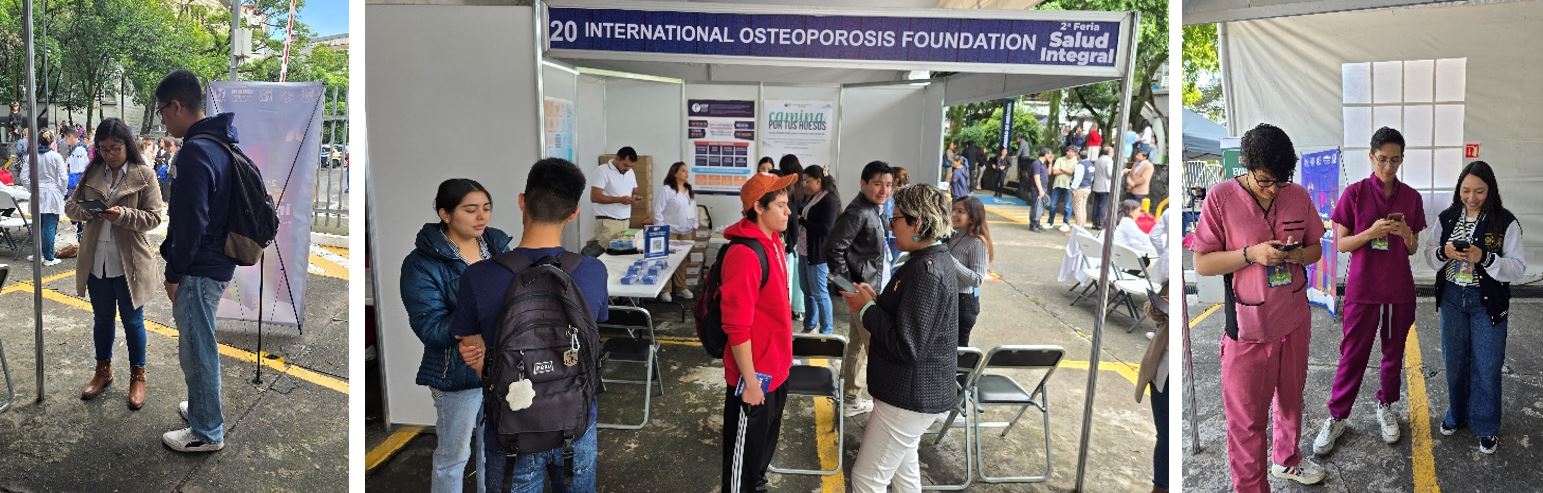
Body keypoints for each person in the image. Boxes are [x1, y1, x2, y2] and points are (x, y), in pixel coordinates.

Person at [452, 158, 609, 493]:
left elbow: (470, 346)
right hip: (576, 423)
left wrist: (492, 370)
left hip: (510, 426)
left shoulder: (479, 277)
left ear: (522, 200)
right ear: (574, 212)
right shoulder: (593, 272)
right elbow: (592, 336)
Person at [1186, 123, 1327, 489]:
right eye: (1265, 181)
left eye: (1280, 182)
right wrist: (1252, 254)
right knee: (1247, 422)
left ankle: (1287, 459)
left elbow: (1315, 248)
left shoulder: (1296, 195)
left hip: (1294, 319)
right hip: (1248, 329)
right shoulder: (1220, 199)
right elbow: (1203, 263)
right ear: (1246, 166)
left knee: (1292, 400)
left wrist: (1296, 254)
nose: (1273, 189)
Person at [1312, 127, 1425, 456]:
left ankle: (1386, 405)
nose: (1388, 167)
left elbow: (1413, 247)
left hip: (1398, 290)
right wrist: (1371, 231)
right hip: (1363, 288)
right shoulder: (1355, 194)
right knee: (1353, 355)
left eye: (1395, 160)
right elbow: (1343, 243)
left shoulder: (1411, 198)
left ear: (1402, 159)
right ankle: (1337, 416)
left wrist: (1405, 232)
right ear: (1370, 157)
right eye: (1382, 159)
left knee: (1393, 354)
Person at [841, 184, 958, 493]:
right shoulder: (924, 262)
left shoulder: (927, 271)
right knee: (904, 474)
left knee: (868, 480)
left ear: (917, 224)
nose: (891, 225)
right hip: (909, 396)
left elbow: (906, 344)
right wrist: (875, 300)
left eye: (896, 219)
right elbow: (908, 318)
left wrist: (866, 308)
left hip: (908, 396)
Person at [401, 179, 509, 493]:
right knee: (454, 457)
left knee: (495, 451)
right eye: (470, 210)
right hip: (456, 376)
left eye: (486, 209)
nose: (481, 217)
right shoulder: (421, 264)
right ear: (445, 214)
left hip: (500, 368)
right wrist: (484, 317)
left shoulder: (499, 248)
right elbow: (430, 328)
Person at [155, 69, 239, 452]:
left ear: (176, 106)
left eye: (162, 111)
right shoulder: (222, 143)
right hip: (217, 261)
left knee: (197, 347)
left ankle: (206, 432)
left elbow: (190, 223)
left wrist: (173, 273)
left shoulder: (195, 151)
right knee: (199, 343)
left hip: (199, 267)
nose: (163, 119)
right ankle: (203, 411)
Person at [1423, 160, 1526, 454]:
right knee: (1455, 364)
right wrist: (1445, 251)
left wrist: (1486, 257)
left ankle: (1486, 425)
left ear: (1490, 190)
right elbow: (1430, 256)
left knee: (1487, 366)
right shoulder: (1447, 217)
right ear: (1459, 190)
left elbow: (1518, 268)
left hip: (1487, 303)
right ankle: (1457, 415)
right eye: (1466, 190)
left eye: (1479, 191)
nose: (1471, 198)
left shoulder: (1504, 222)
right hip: (1453, 299)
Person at [65, 118, 163, 411]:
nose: (109, 154)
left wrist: (124, 215)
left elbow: (155, 217)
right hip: (96, 260)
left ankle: (138, 376)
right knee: (102, 319)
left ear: (127, 146)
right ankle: (102, 371)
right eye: (104, 149)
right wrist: (87, 212)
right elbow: (70, 206)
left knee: (133, 322)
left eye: (115, 148)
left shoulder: (144, 174)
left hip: (129, 260)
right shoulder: (93, 171)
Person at [717, 172, 797, 493]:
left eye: (787, 204)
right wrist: (749, 382)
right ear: (758, 208)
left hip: (776, 372)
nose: (788, 211)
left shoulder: (775, 242)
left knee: (760, 457)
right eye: (780, 205)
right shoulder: (745, 254)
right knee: (740, 470)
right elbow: (736, 327)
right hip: (753, 379)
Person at [826, 161, 895, 418]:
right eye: (878, 184)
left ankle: (851, 398)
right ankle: (884, 405)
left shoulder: (875, 209)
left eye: (888, 185)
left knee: (856, 345)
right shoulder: (858, 211)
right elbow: (833, 248)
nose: (884, 190)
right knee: (876, 350)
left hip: (871, 289)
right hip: (864, 293)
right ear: (863, 183)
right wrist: (849, 287)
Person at [797, 165, 840, 335]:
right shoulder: (813, 197)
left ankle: (826, 331)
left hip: (817, 255)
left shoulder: (829, 200)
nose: (804, 184)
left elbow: (826, 229)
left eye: (807, 180)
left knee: (820, 293)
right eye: (803, 180)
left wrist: (801, 220)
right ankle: (809, 325)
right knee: (807, 290)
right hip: (804, 251)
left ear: (818, 180)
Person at [1135, 284, 1170, 493]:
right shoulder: (1170, 269)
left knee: (1166, 437)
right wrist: (1155, 310)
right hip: (1163, 369)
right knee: (1165, 437)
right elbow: (1152, 306)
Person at [18, 129, 67, 265]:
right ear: (52, 141)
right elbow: (63, 178)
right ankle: (49, 258)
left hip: (37, 193)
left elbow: (23, 177)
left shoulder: (31, 156)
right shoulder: (56, 157)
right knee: (50, 225)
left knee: (37, 225)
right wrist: (61, 192)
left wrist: (32, 189)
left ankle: (37, 254)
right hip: (52, 192)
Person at [653, 161, 699, 303]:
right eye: (683, 171)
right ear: (675, 173)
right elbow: (657, 210)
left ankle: (681, 287)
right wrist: (661, 228)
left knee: (682, 260)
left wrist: (695, 224)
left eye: (687, 171)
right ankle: (666, 289)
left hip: (686, 230)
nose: (686, 173)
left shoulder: (688, 189)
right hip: (670, 230)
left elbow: (692, 208)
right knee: (667, 260)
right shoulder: (666, 190)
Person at [949, 196, 990, 346]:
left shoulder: (977, 242)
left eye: (960, 211)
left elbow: (977, 279)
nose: (954, 214)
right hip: (950, 298)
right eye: (954, 209)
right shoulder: (954, 234)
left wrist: (951, 260)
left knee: (958, 351)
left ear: (973, 217)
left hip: (964, 303)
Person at [590, 146, 639, 245]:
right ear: (617, 158)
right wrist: (620, 199)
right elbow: (595, 197)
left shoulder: (630, 172)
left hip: (625, 221)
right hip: (608, 222)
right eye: (625, 165)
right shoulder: (602, 171)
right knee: (607, 256)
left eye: (631, 166)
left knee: (622, 255)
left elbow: (634, 190)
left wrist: (635, 197)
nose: (628, 168)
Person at [779, 155, 806, 322]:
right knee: (797, 279)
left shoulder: (788, 184)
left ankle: (789, 308)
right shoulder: (803, 181)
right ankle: (798, 309)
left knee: (788, 278)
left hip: (791, 238)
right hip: (800, 237)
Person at [1049, 146, 1078, 231]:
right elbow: (1054, 172)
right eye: (1068, 151)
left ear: (1075, 153)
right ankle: (1050, 222)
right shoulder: (1060, 159)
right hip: (1057, 185)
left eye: (1072, 152)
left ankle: (1066, 223)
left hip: (1069, 186)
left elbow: (1073, 173)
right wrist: (1067, 171)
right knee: (1052, 205)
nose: (1070, 153)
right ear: (1066, 152)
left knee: (1067, 207)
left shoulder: (1076, 161)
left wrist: (1061, 169)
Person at [1090, 146, 1115, 231]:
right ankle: (1101, 223)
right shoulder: (1109, 160)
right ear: (1108, 153)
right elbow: (1110, 174)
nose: (1113, 153)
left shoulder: (1098, 160)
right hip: (1105, 186)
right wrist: (1121, 172)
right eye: (1112, 152)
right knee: (1103, 206)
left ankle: (1094, 223)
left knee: (1096, 205)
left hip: (1097, 186)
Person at [1027, 148, 1051, 232]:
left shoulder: (1043, 163)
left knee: (1040, 207)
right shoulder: (1037, 163)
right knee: (1036, 206)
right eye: (1049, 154)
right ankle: (1033, 224)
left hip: (1043, 187)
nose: (1050, 156)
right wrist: (1040, 190)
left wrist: (1050, 163)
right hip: (1037, 188)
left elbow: (1049, 173)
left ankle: (1037, 223)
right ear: (1045, 154)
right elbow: (1036, 177)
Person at [1072, 151, 1095, 228]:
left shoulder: (1080, 165)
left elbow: (1078, 178)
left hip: (1080, 188)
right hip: (1088, 188)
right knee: (1083, 208)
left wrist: (1073, 188)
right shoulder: (1091, 164)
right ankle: (1082, 228)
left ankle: (1077, 229)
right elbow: (1092, 178)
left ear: (1079, 156)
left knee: (1077, 209)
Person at [155, 136, 176, 205]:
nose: (161, 143)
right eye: (160, 142)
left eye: (162, 142)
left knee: (165, 184)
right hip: (159, 168)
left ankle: (165, 199)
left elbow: (167, 160)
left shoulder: (168, 151)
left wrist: (161, 159)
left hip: (164, 169)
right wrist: (161, 159)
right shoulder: (159, 150)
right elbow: (156, 158)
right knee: (159, 183)